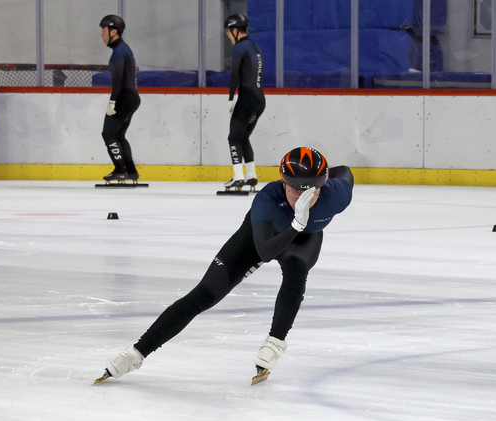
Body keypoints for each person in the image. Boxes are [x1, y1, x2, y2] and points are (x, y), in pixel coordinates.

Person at [96, 147, 353, 384]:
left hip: (304, 239)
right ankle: (136, 353)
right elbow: (264, 250)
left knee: (296, 269)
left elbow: (345, 173)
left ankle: (274, 343)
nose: (306, 199)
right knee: (204, 294)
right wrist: (296, 223)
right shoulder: (267, 201)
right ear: (283, 182)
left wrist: (303, 222)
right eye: (298, 191)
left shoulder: (336, 195)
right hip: (260, 237)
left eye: (314, 191)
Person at [223, 13, 266, 190]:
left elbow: (235, 74)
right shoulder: (254, 47)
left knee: (233, 137)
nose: (227, 36)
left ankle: (239, 177)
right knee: (243, 137)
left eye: (228, 32)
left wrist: (231, 98)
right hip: (259, 99)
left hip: (247, 98)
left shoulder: (239, 48)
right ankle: (251, 176)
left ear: (234, 30)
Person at [99, 14, 140, 182]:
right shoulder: (124, 48)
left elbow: (118, 79)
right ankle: (131, 171)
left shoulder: (118, 52)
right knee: (119, 135)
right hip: (131, 97)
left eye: (104, 30)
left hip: (123, 97)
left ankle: (120, 170)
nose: (102, 34)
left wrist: (112, 100)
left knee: (108, 134)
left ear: (113, 31)